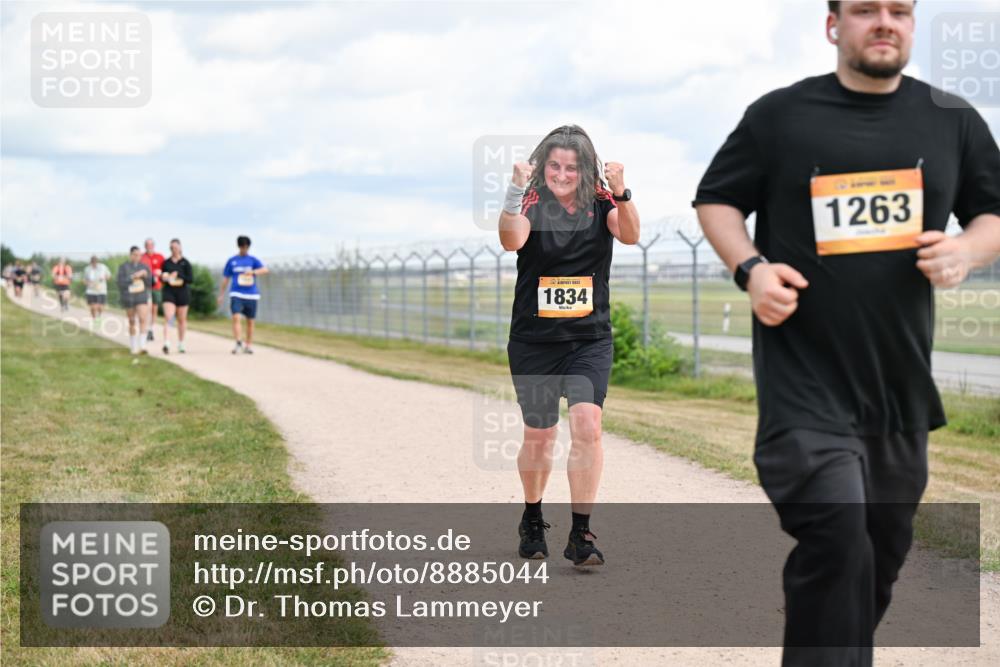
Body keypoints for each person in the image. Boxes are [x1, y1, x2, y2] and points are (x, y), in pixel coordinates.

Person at [693, 2, 1000, 665]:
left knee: (877, 554)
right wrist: (751, 269)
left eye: (900, 11)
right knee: (837, 537)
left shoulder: (952, 119)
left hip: (897, 395)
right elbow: (716, 199)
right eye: (866, 9)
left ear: (913, 26)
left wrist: (966, 251)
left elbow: (992, 214)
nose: (884, 22)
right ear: (834, 26)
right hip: (803, 386)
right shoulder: (779, 116)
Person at [498, 125, 639, 566]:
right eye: (555, 165)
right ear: (544, 166)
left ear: (585, 169)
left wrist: (623, 192)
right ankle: (533, 517)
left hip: (588, 339)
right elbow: (511, 239)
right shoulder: (531, 200)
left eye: (572, 168)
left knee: (587, 427)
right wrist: (514, 189)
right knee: (540, 436)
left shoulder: (602, 203)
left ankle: (581, 532)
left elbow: (630, 234)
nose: (562, 174)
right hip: (535, 340)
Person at [217, 235, 268, 354]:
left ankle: (248, 345)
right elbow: (226, 278)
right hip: (236, 293)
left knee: (250, 321)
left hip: (251, 294)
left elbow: (265, 270)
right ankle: (238, 343)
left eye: (246, 247)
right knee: (236, 317)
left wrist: (253, 271)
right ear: (239, 247)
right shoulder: (232, 261)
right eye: (242, 247)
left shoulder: (252, 260)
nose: (244, 249)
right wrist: (221, 294)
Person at [160, 238, 194, 354]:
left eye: (175, 247)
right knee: (169, 317)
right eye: (171, 248)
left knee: (181, 319)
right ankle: (166, 343)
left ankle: (181, 343)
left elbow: (190, 279)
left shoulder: (185, 263)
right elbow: (161, 276)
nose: (173, 250)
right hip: (169, 292)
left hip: (182, 292)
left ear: (180, 248)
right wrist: (164, 277)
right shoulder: (166, 263)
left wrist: (179, 274)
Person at [117, 246, 152, 355]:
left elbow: (151, 283)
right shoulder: (123, 267)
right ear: (131, 255)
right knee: (132, 321)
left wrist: (145, 275)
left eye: (139, 255)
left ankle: (142, 346)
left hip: (141, 296)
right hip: (129, 297)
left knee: (143, 319)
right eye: (135, 255)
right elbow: (120, 283)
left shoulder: (144, 267)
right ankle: (133, 346)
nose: (137, 257)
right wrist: (133, 277)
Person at [141, 238, 165, 342]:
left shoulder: (160, 257)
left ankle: (151, 329)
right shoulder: (142, 257)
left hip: (156, 286)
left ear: (153, 246)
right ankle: (144, 329)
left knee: (154, 309)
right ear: (145, 246)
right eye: (147, 245)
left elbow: (165, 271)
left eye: (151, 245)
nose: (149, 246)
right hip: (144, 286)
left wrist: (160, 272)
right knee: (146, 308)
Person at [83, 256, 112, 324]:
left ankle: (99, 317)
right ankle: (94, 319)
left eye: (95, 262)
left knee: (100, 307)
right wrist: (88, 283)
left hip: (101, 290)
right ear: (91, 263)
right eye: (92, 263)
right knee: (93, 307)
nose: (94, 264)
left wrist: (103, 278)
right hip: (91, 291)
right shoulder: (87, 269)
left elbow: (109, 276)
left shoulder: (103, 267)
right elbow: (84, 280)